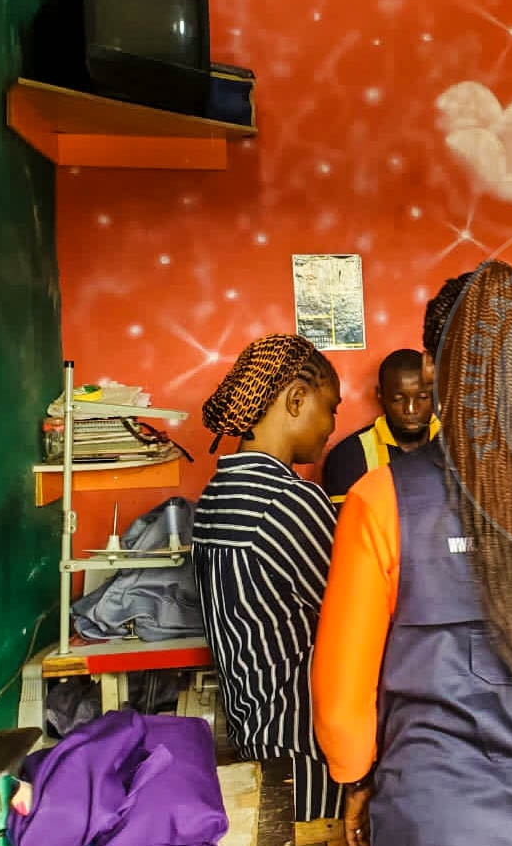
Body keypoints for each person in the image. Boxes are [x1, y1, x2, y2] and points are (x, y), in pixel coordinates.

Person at [311, 261, 512, 846]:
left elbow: (341, 698)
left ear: (430, 367)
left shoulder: (382, 498)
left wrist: (356, 779)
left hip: (442, 813)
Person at [193, 333, 344, 823]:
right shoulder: (289, 500)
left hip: (254, 736)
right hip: (308, 750)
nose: (332, 426)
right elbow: (357, 619)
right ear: (297, 399)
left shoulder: (216, 495)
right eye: (331, 408)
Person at [322, 348, 437, 507]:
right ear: (380, 395)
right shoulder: (349, 457)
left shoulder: (458, 445)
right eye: (398, 399)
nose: (410, 409)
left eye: (423, 397)